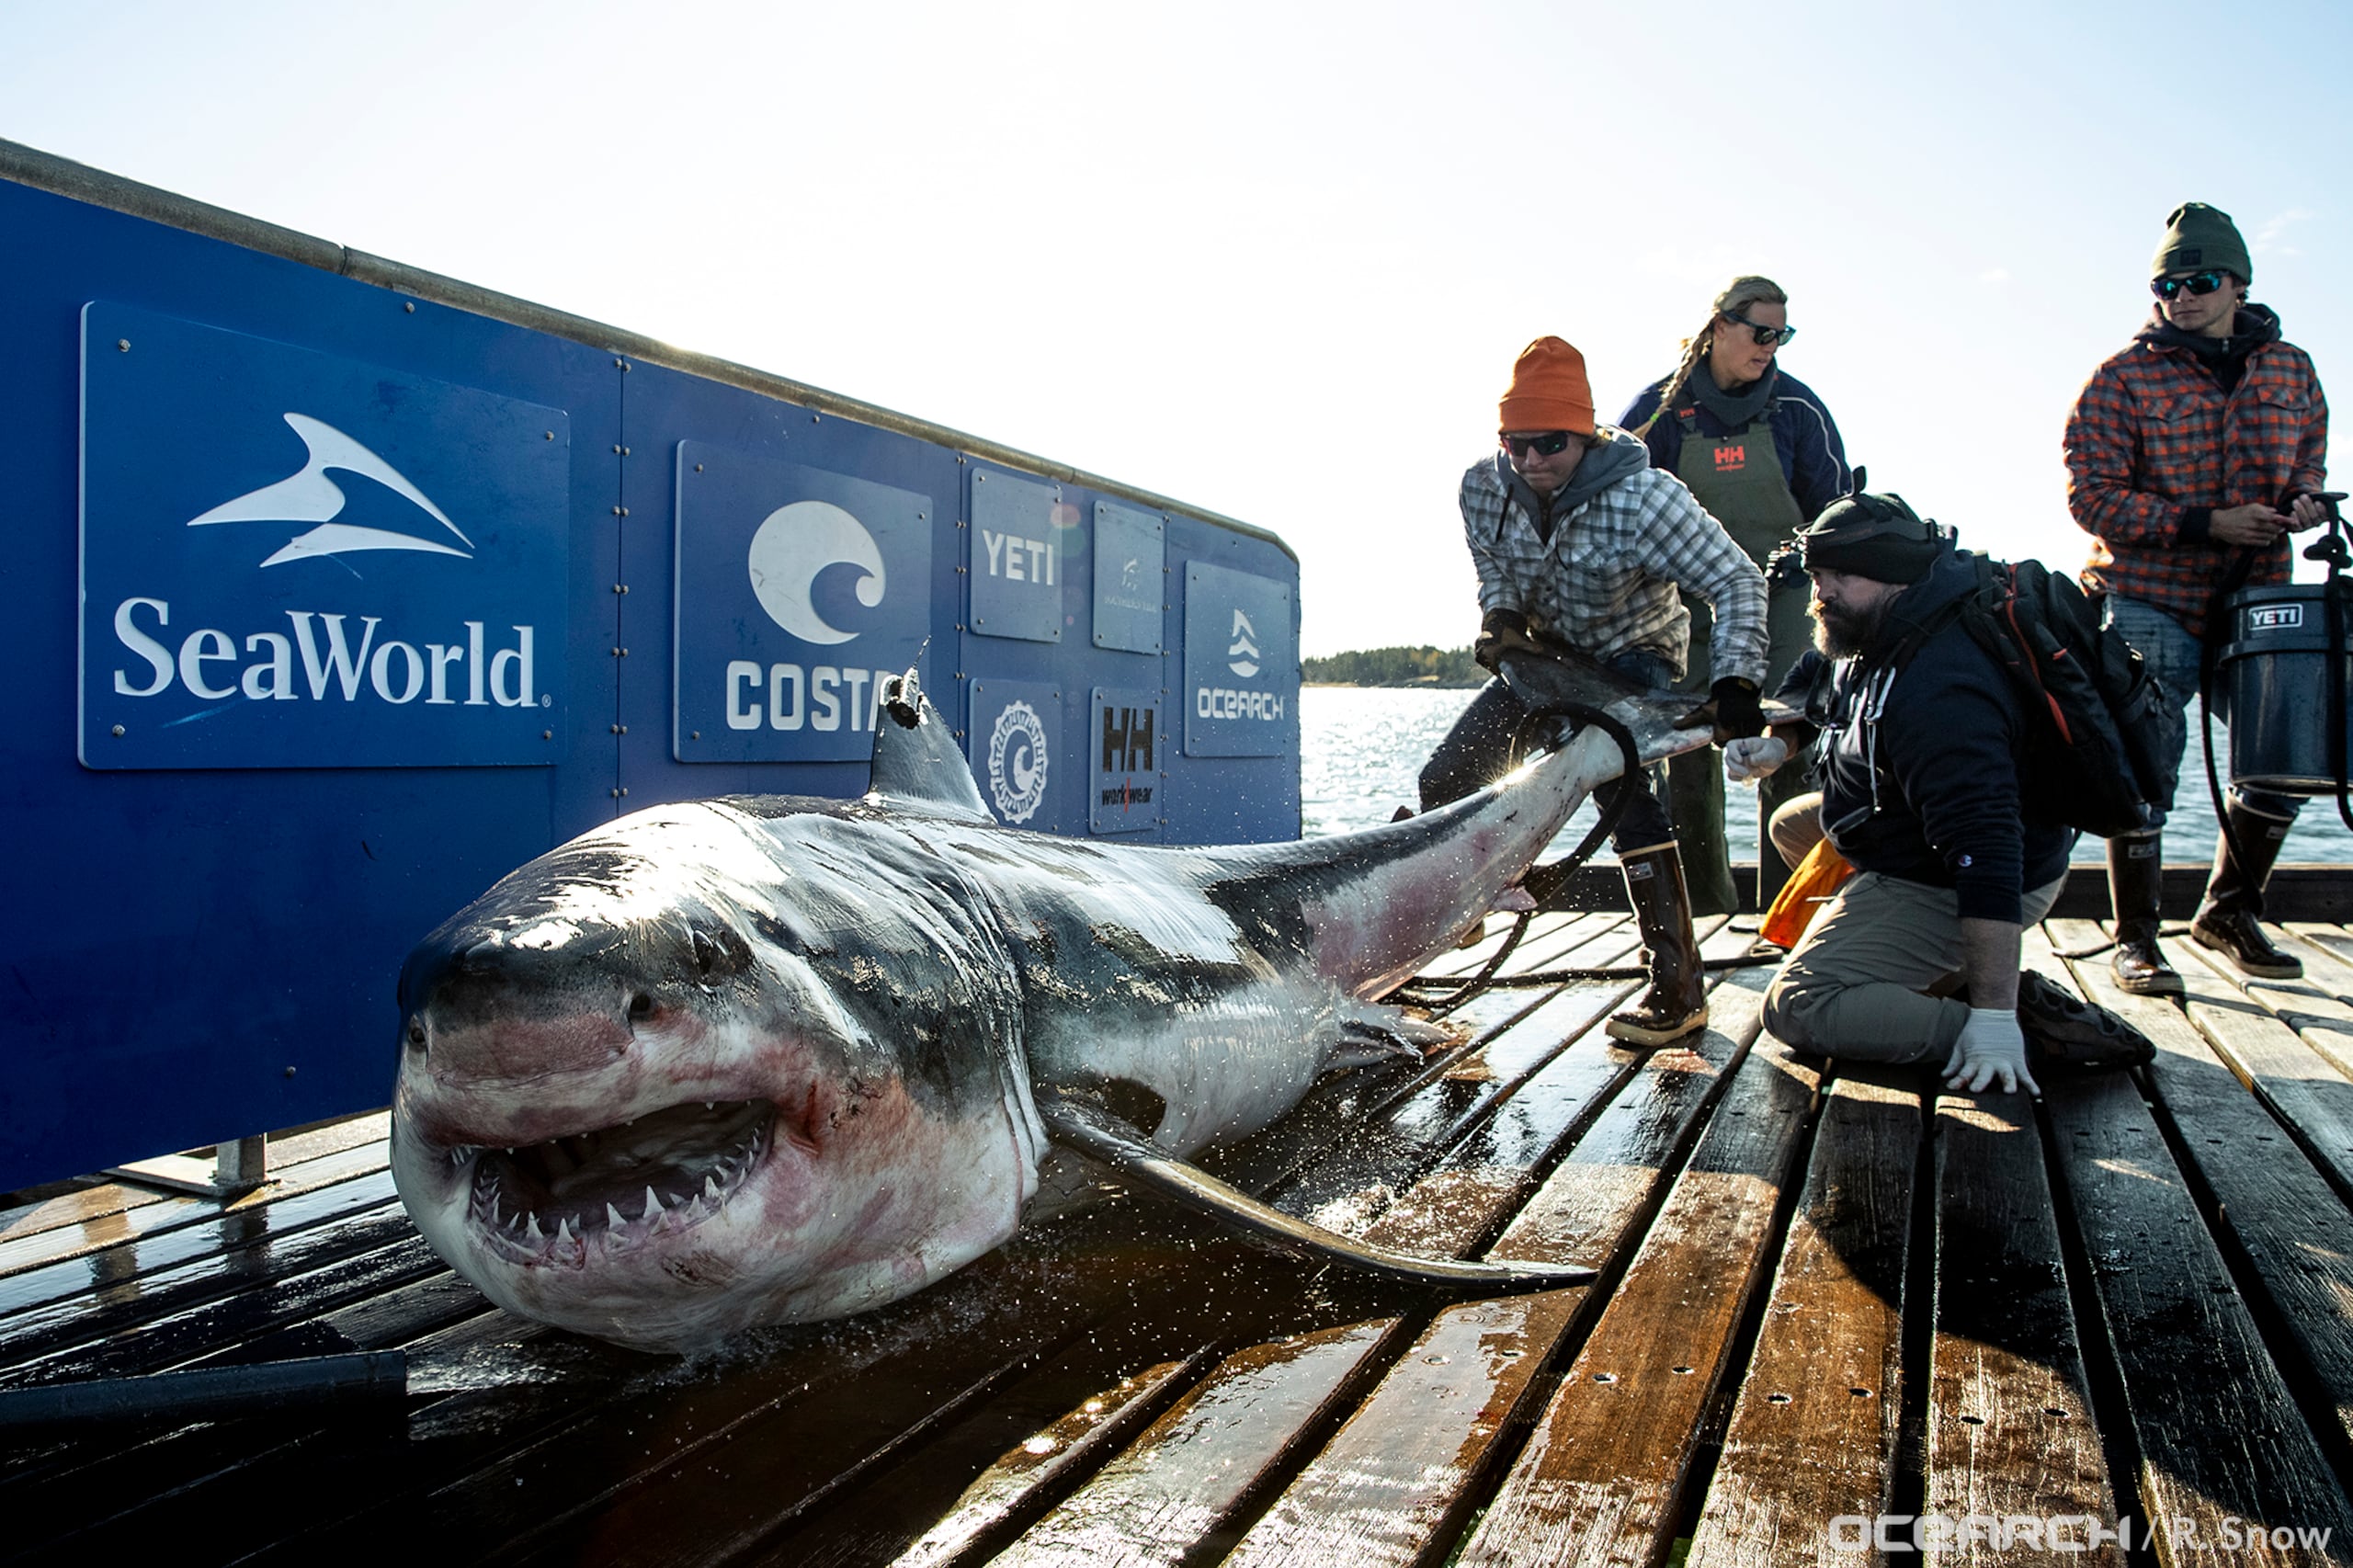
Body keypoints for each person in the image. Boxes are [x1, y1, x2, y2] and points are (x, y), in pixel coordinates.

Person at [1734, 490, 2148, 1094]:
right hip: (1905, 836)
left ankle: (2017, 1029)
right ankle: (1937, 969)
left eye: (1839, 576)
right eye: (1817, 574)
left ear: (1892, 572)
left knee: (1799, 1005)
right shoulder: (1876, 621)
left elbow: (1987, 851)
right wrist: (1780, 744)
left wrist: (1993, 1020)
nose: (1820, 593)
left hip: (1965, 875)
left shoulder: (1941, 690)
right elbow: (1817, 683)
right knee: (1795, 825)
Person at [1421, 335, 1769, 1046]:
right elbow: (1493, 566)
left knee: (1620, 792)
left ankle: (1677, 989)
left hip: (1633, 654)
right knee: (1445, 777)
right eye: (1514, 443)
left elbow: (1736, 581)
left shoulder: (1646, 499)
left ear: (1583, 435)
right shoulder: (1482, 486)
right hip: (1545, 653)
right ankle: (1469, 901)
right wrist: (1502, 615)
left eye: (1548, 444)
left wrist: (1736, 681)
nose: (1529, 461)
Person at [2065, 201, 2332, 993]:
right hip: (2149, 594)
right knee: (2148, 763)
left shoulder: (2293, 369)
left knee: (2288, 752)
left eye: (2201, 280)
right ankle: (2137, 939)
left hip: (2260, 597)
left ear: (2239, 283)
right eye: (2167, 283)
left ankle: (2228, 912)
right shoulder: (2119, 378)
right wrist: (2207, 522)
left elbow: (2308, 459)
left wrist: (2307, 500)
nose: (2182, 295)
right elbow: (2093, 500)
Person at [1621, 277, 1853, 919]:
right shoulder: (1660, 412)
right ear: (1720, 326)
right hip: (1684, 611)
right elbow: (1617, 506)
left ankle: (1790, 919)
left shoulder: (1799, 411)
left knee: (1785, 755)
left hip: (1785, 605)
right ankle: (1705, 918)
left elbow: (1834, 515)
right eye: (1760, 332)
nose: (1771, 346)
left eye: (1782, 335)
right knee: (1689, 767)